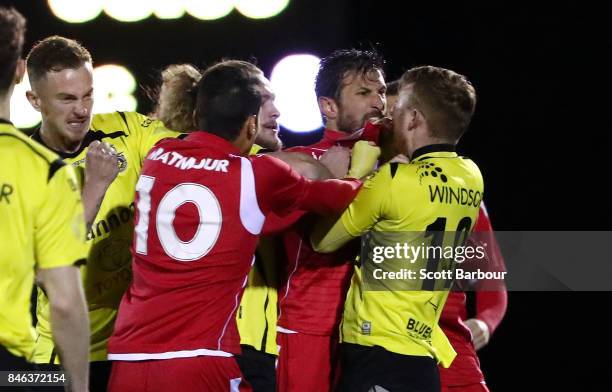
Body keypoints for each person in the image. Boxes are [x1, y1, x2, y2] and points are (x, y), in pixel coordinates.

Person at [106, 60, 364, 391]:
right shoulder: (255, 175)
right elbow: (332, 197)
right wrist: (354, 175)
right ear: (250, 125)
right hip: (200, 359)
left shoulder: (158, 155)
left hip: (128, 359)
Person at [312, 65, 483, 392]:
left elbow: (321, 241)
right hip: (422, 357)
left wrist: (353, 178)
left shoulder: (393, 181)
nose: (389, 115)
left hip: (378, 351)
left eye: (398, 107)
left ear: (413, 118)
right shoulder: (473, 176)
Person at [24, 35, 179, 391]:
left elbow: (199, 154)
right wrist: (95, 186)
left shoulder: (126, 131)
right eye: (66, 99)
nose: (81, 110)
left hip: (131, 348)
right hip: (54, 363)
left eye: (87, 95)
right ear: (35, 100)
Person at [275, 48, 387, 392]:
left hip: (377, 334)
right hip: (310, 329)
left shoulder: (401, 165)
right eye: (364, 93)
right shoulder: (301, 162)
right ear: (329, 106)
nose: (378, 103)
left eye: (382, 92)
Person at [384, 82, 508, 392]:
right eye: (385, 118)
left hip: (448, 349)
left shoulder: (461, 188)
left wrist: (485, 322)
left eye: (396, 114)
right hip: (383, 349)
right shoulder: (365, 182)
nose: (393, 124)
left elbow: (491, 278)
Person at [0, 8, 90, 391]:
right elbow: (66, 302)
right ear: (21, 72)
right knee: (42, 384)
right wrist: (78, 387)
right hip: (9, 368)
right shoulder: (43, 169)